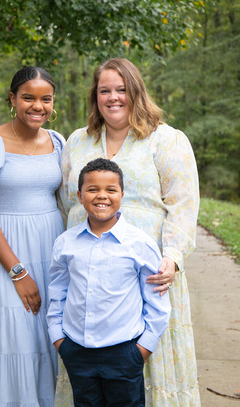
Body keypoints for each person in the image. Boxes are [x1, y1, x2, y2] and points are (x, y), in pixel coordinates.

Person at [56, 58, 200, 406]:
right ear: (95, 96)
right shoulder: (78, 141)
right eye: (105, 90)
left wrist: (173, 258)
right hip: (91, 268)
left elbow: (183, 204)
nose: (113, 97)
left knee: (142, 357)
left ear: (136, 92)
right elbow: (67, 200)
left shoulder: (166, 140)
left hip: (148, 271)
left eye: (121, 89)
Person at [0, 66, 65, 406]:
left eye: (45, 99)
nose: (38, 106)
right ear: (12, 99)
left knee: (49, 339)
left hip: (50, 250)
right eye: (28, 98)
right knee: (15, 338)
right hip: (9, 256)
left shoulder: (59, 142)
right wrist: (18, 272)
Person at [47, 158, 171, 406]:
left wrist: (141, 351)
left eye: (110, 190)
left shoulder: (140, 244)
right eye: (92, 189)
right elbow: (57, 293)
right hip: (76, 350)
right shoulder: (66, 243)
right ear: (80, 195)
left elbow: (156, 301)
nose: (101, 196)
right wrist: (59, 340)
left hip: (124, 352)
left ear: (122, 194)